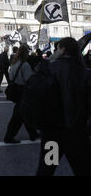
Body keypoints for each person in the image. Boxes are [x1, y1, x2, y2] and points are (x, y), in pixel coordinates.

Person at [36, 37, 91, 176]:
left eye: (58, 48)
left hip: (53, 132)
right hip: (77, 133)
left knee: (47, 169)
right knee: (83, 169)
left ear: (63, 50)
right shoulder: (84, 72)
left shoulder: (49, 68)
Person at [4, 45, 38, 144]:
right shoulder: (25, 65)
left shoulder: (14, 64)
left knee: (24, 113)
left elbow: (10, 77)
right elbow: (29, 80)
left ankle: (33, 133)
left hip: (15, 89)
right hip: (22, 90)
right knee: (18, 116)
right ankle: (9, 137)